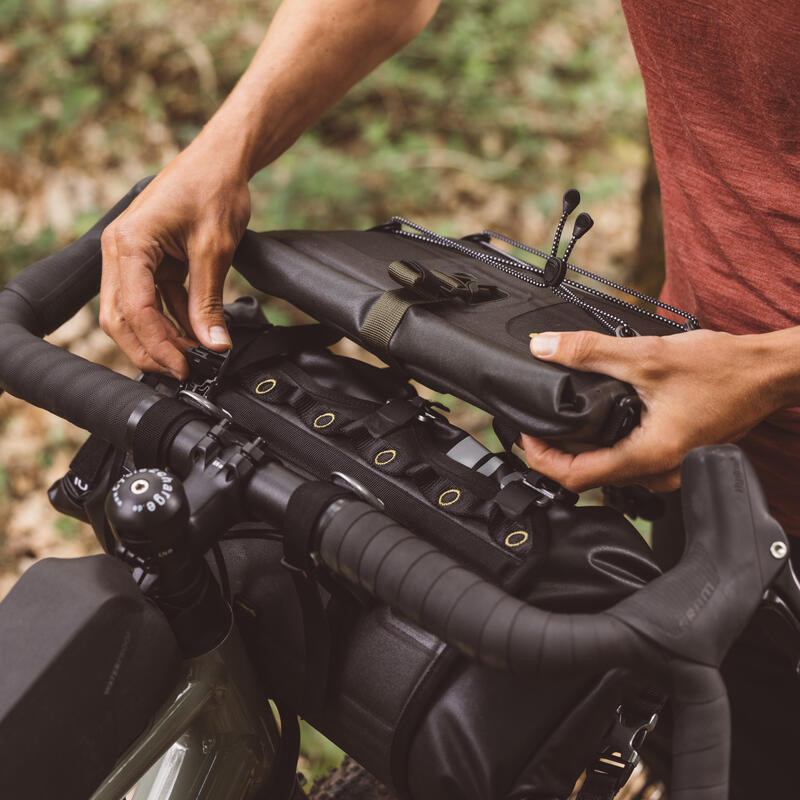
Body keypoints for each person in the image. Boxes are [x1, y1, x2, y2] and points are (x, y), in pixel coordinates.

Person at [99, 0, 800, 795]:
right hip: (707, 447)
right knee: (713, 730)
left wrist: (771, 368)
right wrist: (220, 150)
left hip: (744, 420)